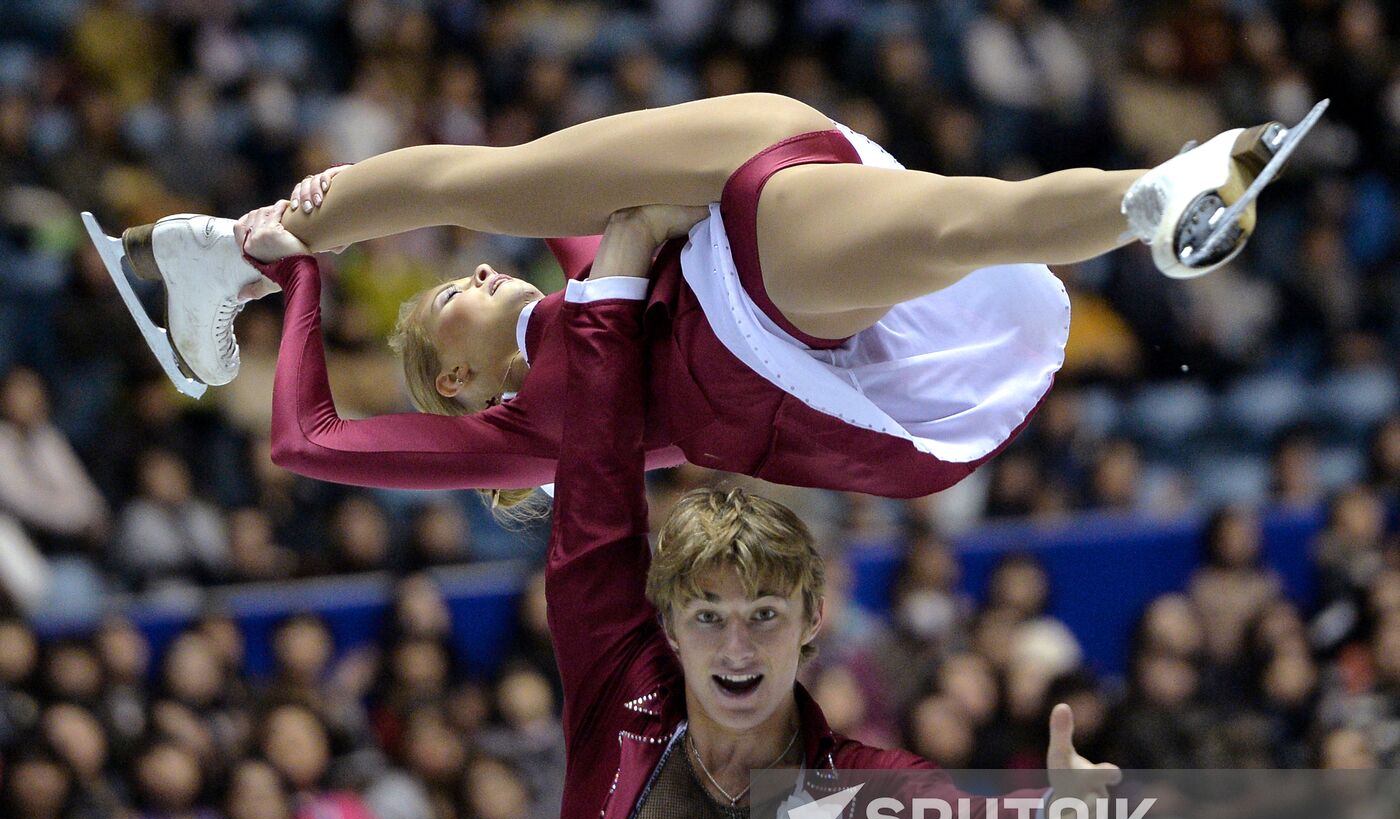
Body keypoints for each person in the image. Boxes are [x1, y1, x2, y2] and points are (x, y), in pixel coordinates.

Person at [253, 203, 1121, 819]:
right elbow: (594, 497)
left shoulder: (831, 808)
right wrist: (606, 283)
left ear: (813, 620)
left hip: (857, 373)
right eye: (708, 616)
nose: (737, 645)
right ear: (668, 621)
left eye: (763, 616)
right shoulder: (620, 684)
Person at [112, 93, 1295, 506]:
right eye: (443, 313)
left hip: (754, 220)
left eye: (458, 276)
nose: (468, 276)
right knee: (959, 227)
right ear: (462, 386)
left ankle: (230, 247)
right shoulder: (528, 440)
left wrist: (617, 254)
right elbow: (305, 439)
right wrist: (311, 286)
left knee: (490, 178)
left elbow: (500, 199)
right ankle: (1152, 196)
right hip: (768, 330)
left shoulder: (576, 266)